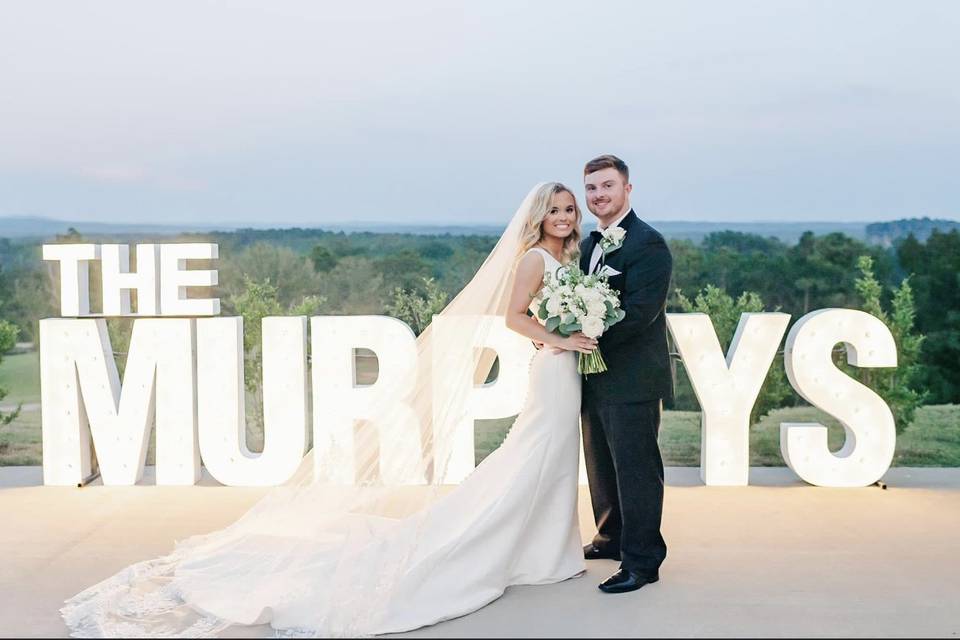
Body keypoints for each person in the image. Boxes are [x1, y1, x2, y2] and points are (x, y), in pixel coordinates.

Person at [61, 182, 598, 637]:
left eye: (569, 209)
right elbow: (513, 318)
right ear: (537, 217)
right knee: (536, 452)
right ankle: (513, 547)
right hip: (553, 365)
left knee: (549, 458)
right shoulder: (533, 258)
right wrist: (561, 339)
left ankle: (548, 551)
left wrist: (576, 332)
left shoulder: (568, 259)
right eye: (554, 209)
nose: (563, 216)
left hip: (566, 367)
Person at [578, 154, 674, 593]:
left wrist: (586, 336)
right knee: (600, 463)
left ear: (627, 190)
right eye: (592, 188)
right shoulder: (588, 245)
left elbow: (640, 314)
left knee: (636, 470)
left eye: (607, 186)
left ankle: (642, 561)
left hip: (633, 377)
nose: (599, 195)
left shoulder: (648, 245)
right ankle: (610, 536)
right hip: (593, 374)